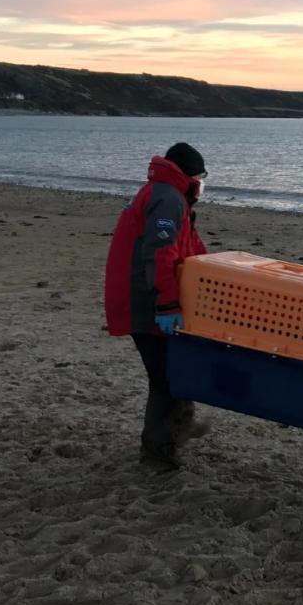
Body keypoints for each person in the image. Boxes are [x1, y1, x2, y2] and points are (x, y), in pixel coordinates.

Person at [104, 142, 210, 472]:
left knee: (175, 371)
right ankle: (157, 454)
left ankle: (179, 427)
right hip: (146, 301)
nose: (203, 182)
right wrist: (167, 305)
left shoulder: (165, 194)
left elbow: (188, 246)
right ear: (189, 175)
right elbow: (160, 254)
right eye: (201, 176)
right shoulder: (167, 199)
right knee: (165, 379)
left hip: (147, 296)